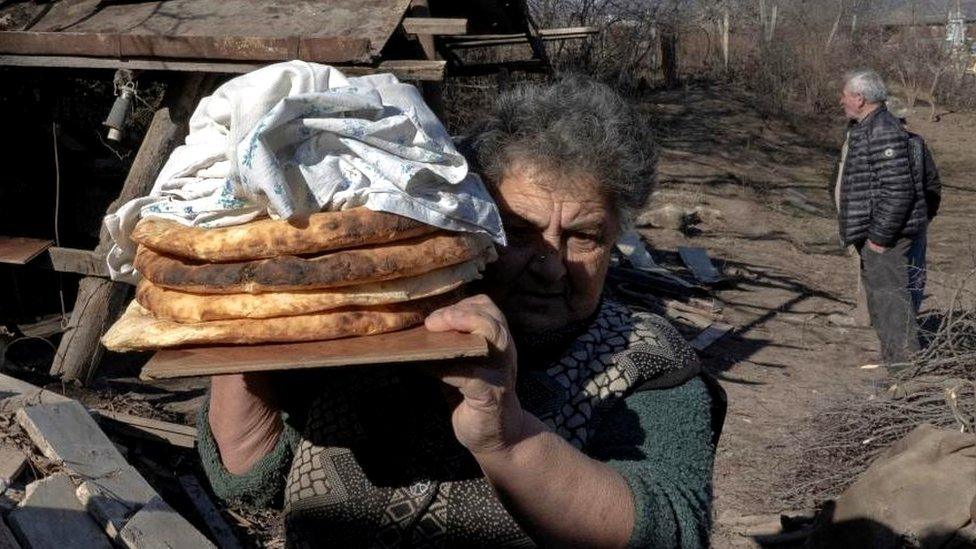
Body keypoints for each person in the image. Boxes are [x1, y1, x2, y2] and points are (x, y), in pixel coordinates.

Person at [198, 76, 722, 548]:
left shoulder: (646, 360)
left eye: (583, 237)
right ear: (471, 222)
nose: (551, 267)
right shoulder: (381, 315)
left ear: (614, 241)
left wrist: (507, 434)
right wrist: (250, 317)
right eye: (519, 232)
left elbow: (670, 532)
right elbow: (248, 474)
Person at [836, 69, 930, 368]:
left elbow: (899, 190)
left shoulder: (883, 130)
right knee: (881, 304)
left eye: (846, 95)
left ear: (860, 98)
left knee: (891, 306)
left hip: (885, 237)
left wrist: (879, 236)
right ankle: (894, 367)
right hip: (874, 233)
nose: (842, 101)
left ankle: (903, 377)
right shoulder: (866, 127)